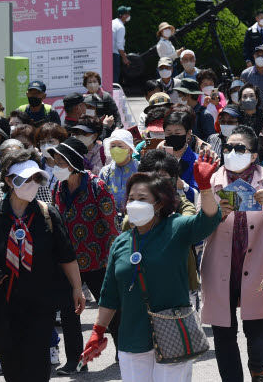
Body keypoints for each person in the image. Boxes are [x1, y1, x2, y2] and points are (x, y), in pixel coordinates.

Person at [80, 157, 224, 379]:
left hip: (173, 333)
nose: (134, 203)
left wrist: (205, 189)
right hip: (132, 338)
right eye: (131, 198)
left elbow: (208, 220)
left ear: (159, 203)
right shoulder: (121, 242)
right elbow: (109, 295)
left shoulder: (176, 227)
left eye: (142, 198)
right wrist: (97, 333)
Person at [0, 149, 86, 382]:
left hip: (40, 303)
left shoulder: (47, 213)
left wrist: (76, 288)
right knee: (12, 366)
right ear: (9, 181)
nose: (31, 184)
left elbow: (66, 255)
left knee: (38, 366)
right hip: (3, 305)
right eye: (24, 179)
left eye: (36, 178)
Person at [202, 125, 263, 382]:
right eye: (228, 147)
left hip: (257, 263)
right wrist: (215, 215)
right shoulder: (213, 179)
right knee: (223, 332)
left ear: (254, 155)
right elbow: (198, 223)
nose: (232, 152)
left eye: (239, 148)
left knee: (257, 329)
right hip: (221, 265)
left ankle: (258, 370)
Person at [47, 137, 121, 374]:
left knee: (110, 308)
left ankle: (124, 350)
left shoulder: (96, 186)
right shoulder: (57, 188)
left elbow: (111, 225)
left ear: (71, 163)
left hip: (99, 261)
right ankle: (75, 362)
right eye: (54, 160)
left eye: (59, 161)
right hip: (69, 263)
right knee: (69, 314)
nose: (54, 165)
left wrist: (113, 259)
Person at [99, 128, 140, 217]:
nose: (116, 149)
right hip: (111, 218)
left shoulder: (140, 168)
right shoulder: (105, 171)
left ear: (130, 150)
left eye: (120, 146)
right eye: (112, 146)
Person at [112, 5, 131, 84]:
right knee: (115, 77)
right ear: (124, 15)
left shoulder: (113, 22)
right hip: (114, 54)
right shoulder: (120, 27)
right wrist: (124, 58)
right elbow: (119, 44)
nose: (129, 15)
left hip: (108, 53)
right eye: (128, 13)